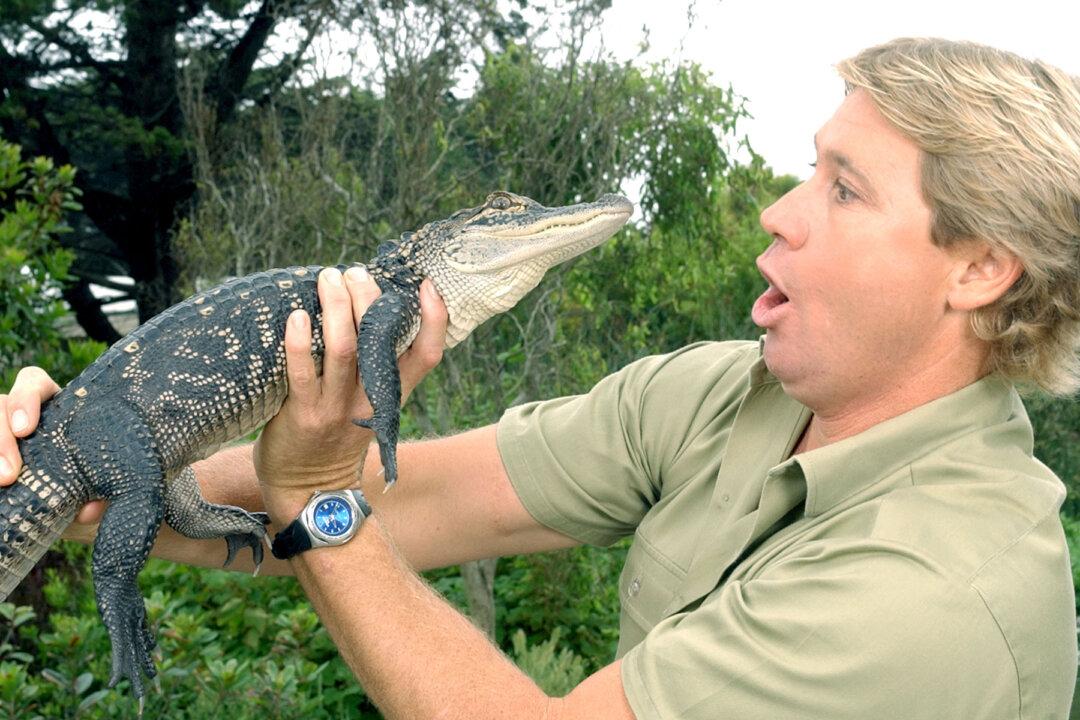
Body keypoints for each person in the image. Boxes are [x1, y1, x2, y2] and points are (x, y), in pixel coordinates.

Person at [1, 37, 1078, 718]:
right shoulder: (723, 395)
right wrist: (71, 478)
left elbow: (334, 515)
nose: (779, 211)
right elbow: (403, 503)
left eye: (844, 190)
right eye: (809, 168)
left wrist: (314, 492)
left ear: (983, 268)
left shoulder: (932, 595)